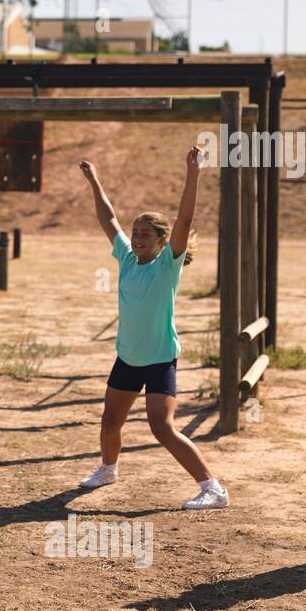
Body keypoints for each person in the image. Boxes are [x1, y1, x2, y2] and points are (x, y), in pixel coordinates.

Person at [77, 147, 228, 510]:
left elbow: (185, 220)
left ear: (162, 241)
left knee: (162, 427)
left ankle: (212, 488)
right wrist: (94, 180)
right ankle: (108, 468)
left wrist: (193, 174)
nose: (138, 237)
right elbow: (108, 218)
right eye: (135, 232)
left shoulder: (166, 265)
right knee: (110, 422)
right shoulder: (127, 259)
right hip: (128, 357)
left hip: (160, 359)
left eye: (146, 233)